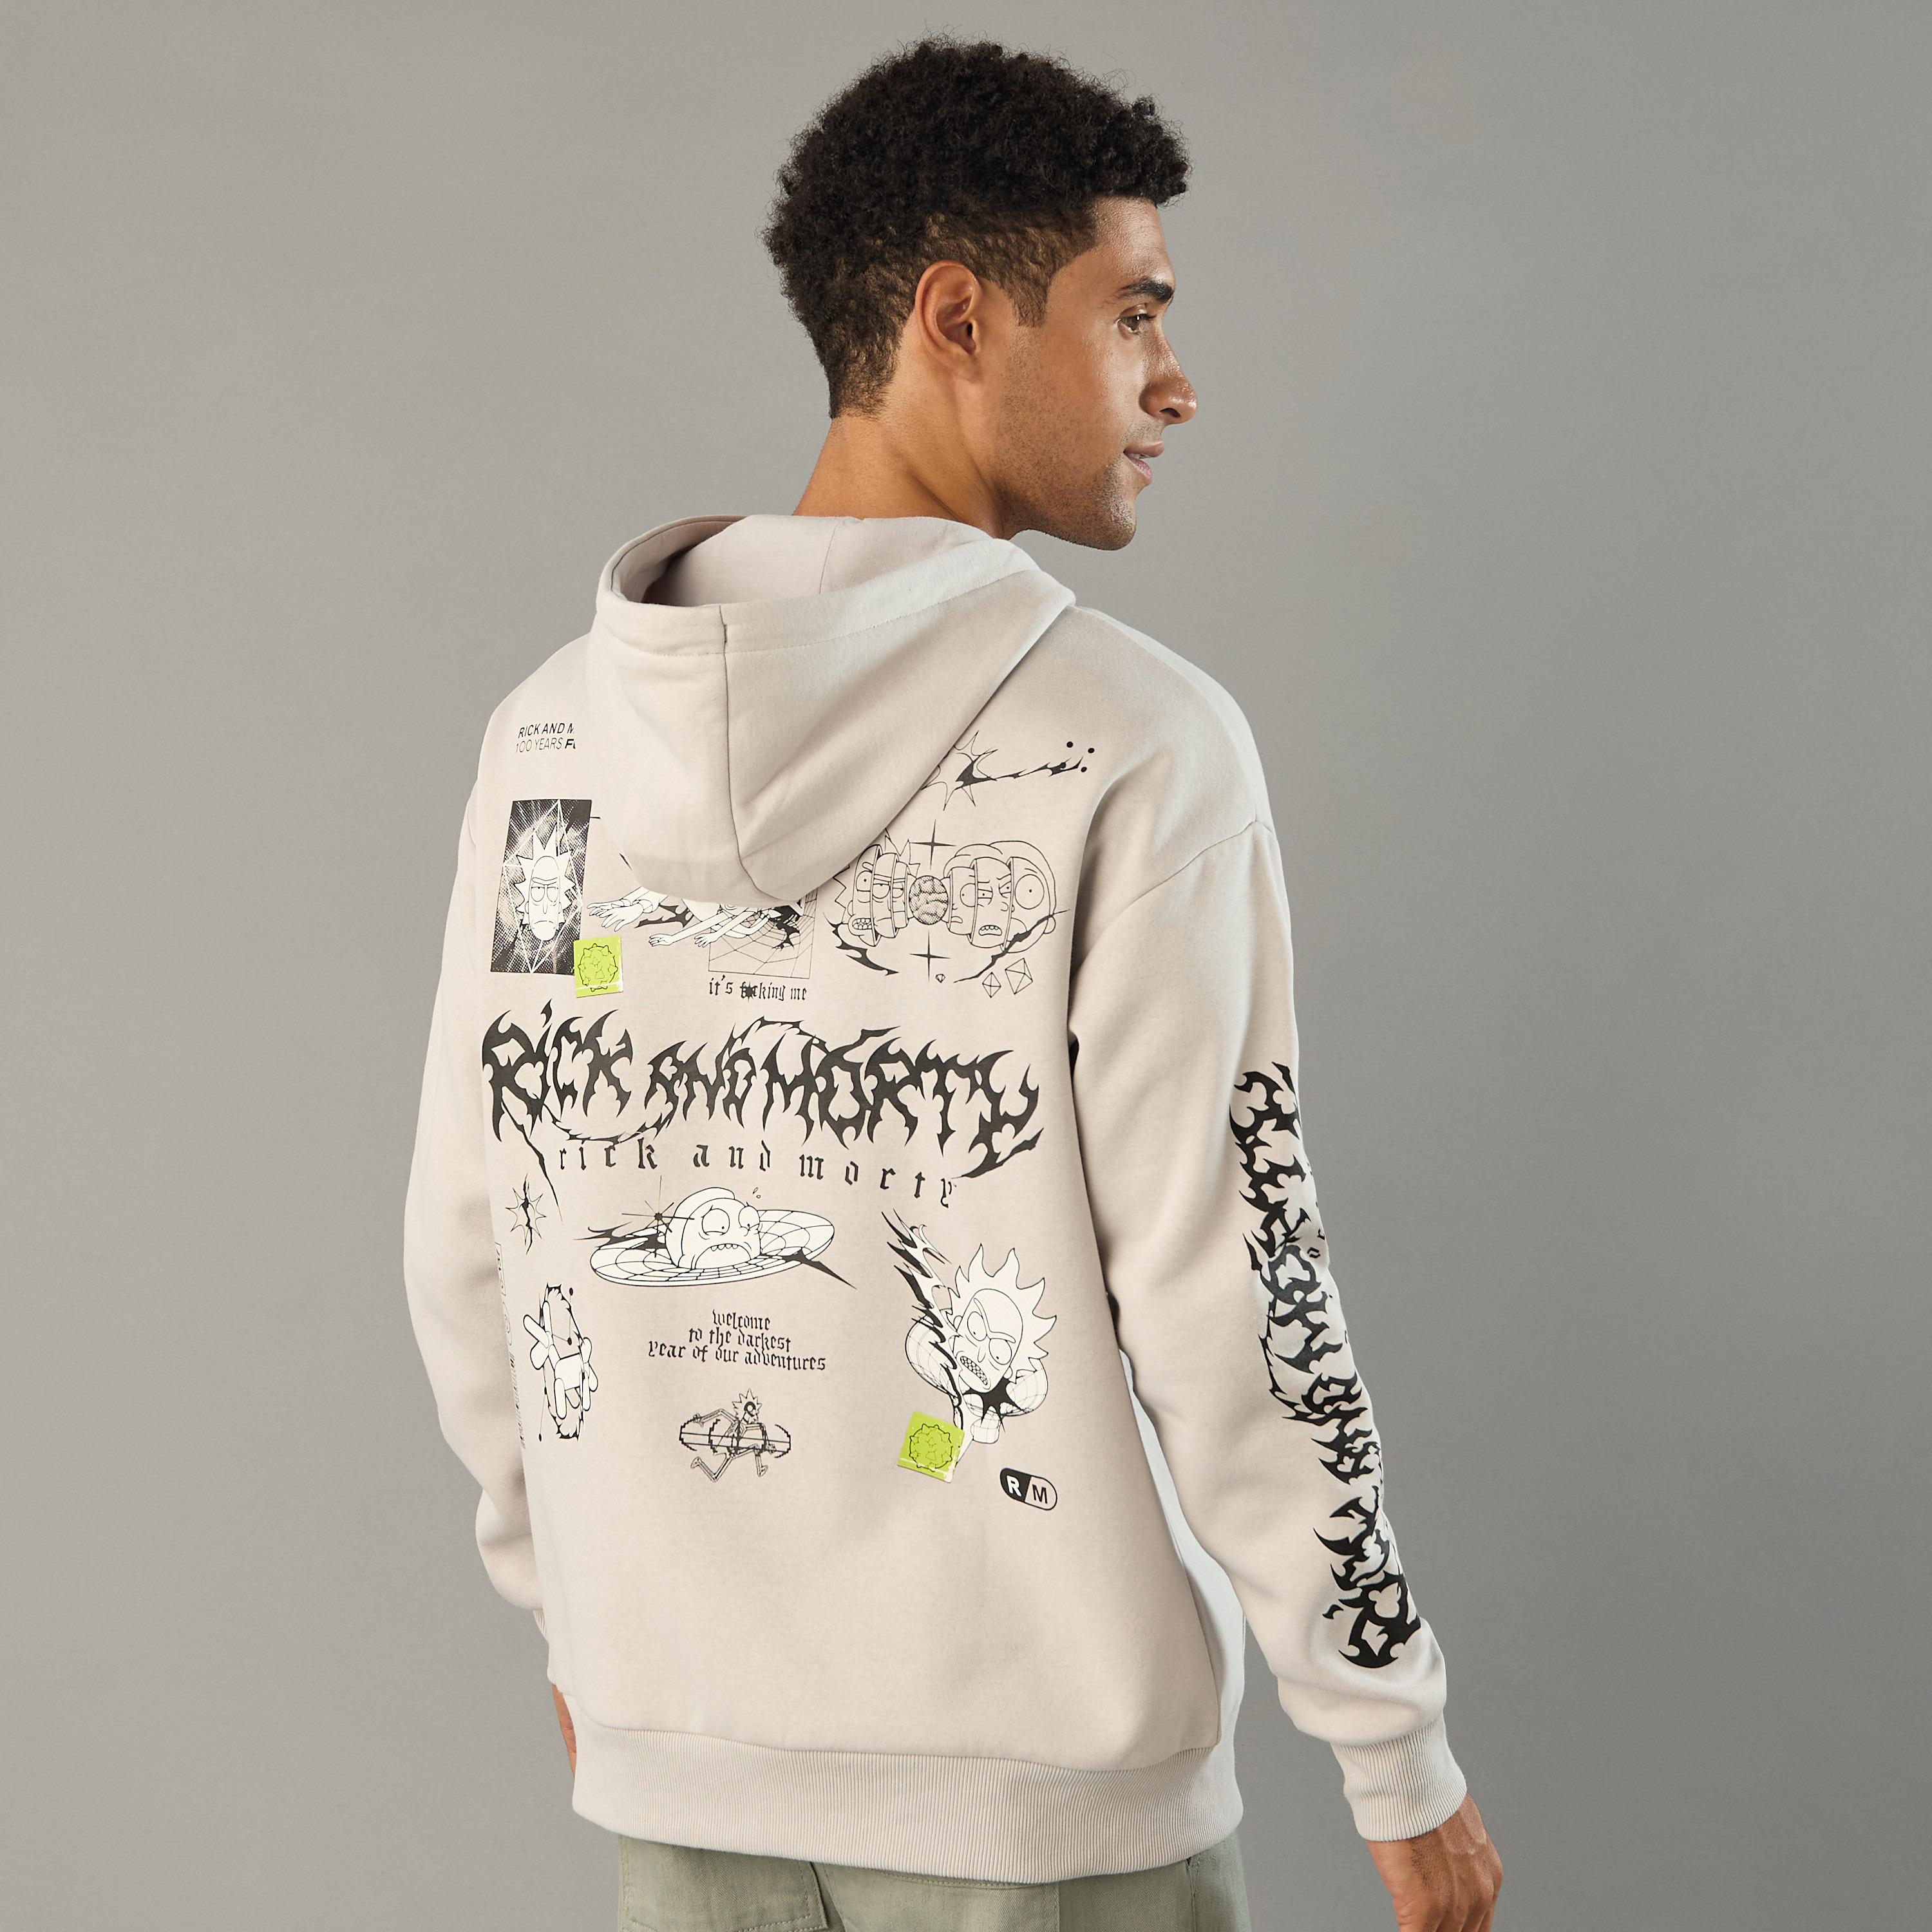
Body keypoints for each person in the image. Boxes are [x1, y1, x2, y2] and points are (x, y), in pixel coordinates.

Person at [404, 37, 1502, 1932]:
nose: (1175, 380)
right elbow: (1231, 1286)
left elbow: (472, 1236)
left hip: (678, 1775)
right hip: (1050, 1814)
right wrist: (1391, 1744)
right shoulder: (1135, 744)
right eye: (1132, 314)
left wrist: (575, 1618)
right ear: (956, 319)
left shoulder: (552, 744)